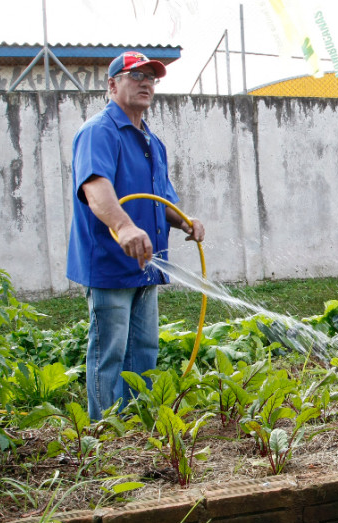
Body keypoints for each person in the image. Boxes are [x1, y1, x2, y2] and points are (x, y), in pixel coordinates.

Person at [66, 51, 205, 420]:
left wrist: (186, 221)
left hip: (147, 262)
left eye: (151, 77)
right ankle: (106, 430)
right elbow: (95, 187)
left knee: (143, 349)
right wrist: (124, 226)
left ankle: (137, 421)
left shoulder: (150, 141)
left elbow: (162, 199)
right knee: (109, 351)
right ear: (112, 85)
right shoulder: (99, 131)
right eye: (136, 76)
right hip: (111, 262)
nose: (146, 83)